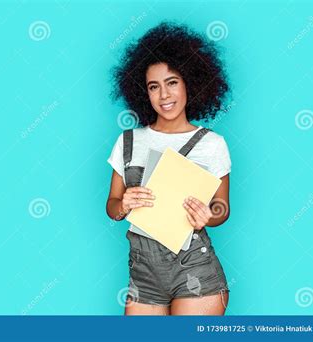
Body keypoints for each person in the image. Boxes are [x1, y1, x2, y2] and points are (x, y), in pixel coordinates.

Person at [106, 22, 232, 315]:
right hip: (143, 274)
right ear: (143, 92)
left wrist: (208, 216)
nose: (164, 95)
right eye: (154, 86)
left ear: (190, 82)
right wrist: (122, 203)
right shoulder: (128, 141)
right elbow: (112, 208)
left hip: (196, 271)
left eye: (172, 82)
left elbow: (222, 208)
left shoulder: (212, 144)